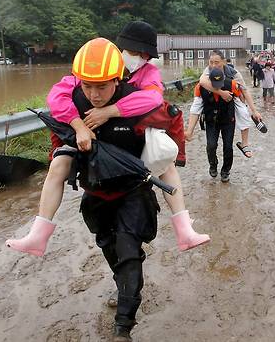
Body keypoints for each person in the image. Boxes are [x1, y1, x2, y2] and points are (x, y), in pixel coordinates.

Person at [6, 23, 209, 257]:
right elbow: (57, 97)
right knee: (58, 164)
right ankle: (38, 235)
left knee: (166, 160)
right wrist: (77, 124)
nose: (137, 58)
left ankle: (184, 229)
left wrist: (110, 111)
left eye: (143, 55)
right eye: (132, 52)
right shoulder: (97, 66)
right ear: (119, 49)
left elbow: (153, 99)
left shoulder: (148, 73)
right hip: (92, 136)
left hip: (129, 135)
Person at [57, 38, 164, 341]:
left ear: (117, 79)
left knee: (129, 252)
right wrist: (78, 126)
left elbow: (162, 132)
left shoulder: (135, 101)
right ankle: (125, 288)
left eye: (102, 87)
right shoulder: (75, 102)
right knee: (108, 246)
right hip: (97, 195)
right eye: (88, 86)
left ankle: (123, 327)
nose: (94, 94)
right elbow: (57, 100)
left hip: (133, 192)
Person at [198, 50, 262, 159]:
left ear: (224, 62)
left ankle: (244, 143)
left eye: (216, 62)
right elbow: (202, 82)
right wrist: (221, 93)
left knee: (244, 113)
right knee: (211, 145)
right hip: (213, 106)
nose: (213, 65)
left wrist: (254, 111)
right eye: (211, 62)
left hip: (231, 103)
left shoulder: (234, 73)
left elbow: (245, 91)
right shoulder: (208, 70)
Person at [185, 65, 243, 182]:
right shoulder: (200, 88)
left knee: (228, 147)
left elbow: (241, 100)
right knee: (211, 145)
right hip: (211, 120)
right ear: (209, 81)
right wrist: (189, 130)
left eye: (220, 84)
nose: (218, 87)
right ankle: (213, 164)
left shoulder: (231, 84)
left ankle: (225, 170)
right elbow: (195, 109)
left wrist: (244, 119)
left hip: (228, 120)